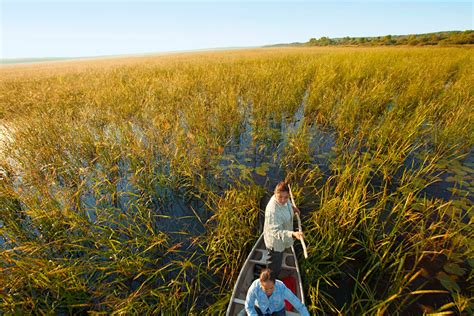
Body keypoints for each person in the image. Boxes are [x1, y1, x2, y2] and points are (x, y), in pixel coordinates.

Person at [263, 181, 304, 279]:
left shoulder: (286, 200)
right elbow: (276, 232)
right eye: (280, 197)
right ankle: (271, 279)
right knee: (274, 266)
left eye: (286, 197)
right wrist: (293, 234)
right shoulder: (272, 211)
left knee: (279, 257)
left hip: (283, 237)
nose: (283, 200)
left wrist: (293, 208)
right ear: (274, 194)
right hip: (275, 242)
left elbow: (287, 203)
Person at [245, 269, 310, 316]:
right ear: (260, 284)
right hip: (259, 308)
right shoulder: (255, 287)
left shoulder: (281, 288)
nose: (269, 291)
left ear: (275, 283)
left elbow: (299, 305)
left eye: (271, 288)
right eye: (266, 289)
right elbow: (249, 305)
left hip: (278, 310)